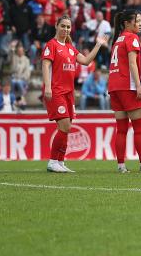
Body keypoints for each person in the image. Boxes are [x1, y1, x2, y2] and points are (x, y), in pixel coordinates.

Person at [43, 15, 109, 173]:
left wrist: (98, 45)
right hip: (57, 91)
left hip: (69, 94)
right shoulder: (51, 45)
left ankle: (60, 161)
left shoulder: (70, 48)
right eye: (63, 26)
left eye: (68, 27)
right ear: (56, 26)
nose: (65, 29)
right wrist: (47, 87)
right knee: (64, 126)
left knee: (67, 127)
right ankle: (52, 161)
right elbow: (45, 66)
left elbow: (86, 61)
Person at [107, 10, 141, 174]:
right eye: (137, 20)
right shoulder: (131, 38)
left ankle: (121, 166)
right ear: (127, 23)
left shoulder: (118, 40)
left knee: (121, 129)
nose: (140, 23)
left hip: (114, 86)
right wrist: (138, 85)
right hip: (127, 86)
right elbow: (132, 63)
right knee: (139, 127)